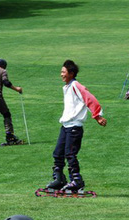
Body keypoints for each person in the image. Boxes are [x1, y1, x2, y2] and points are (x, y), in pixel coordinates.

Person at [44, 59, 107, 192]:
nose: (61, 74)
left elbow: (89, 99)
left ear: (71, 73)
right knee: (58, 153)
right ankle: (59, 178)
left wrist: (97, 116)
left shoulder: (76, 85)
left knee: (70, 154)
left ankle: (77, 180)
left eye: (63, 72)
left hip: (74, 126)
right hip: (66, 125)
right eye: (61, 72)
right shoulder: (67, 87)